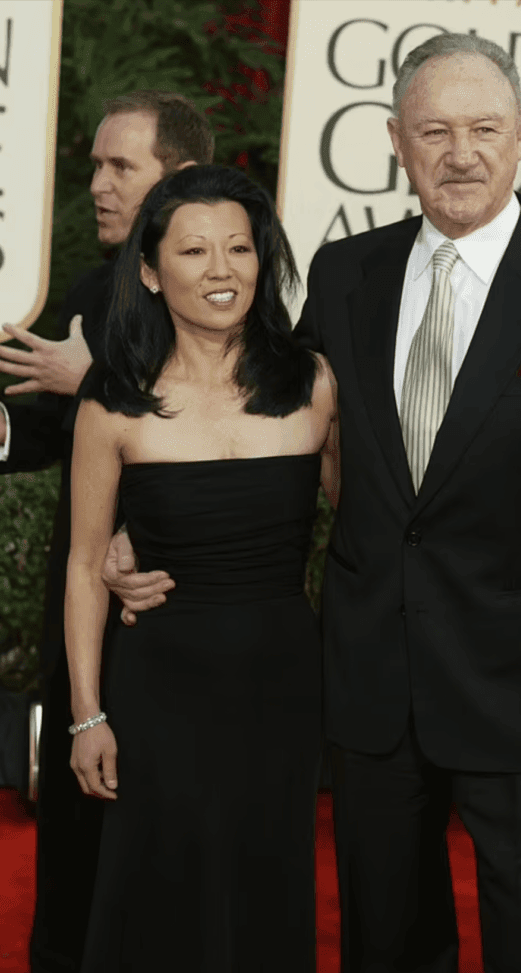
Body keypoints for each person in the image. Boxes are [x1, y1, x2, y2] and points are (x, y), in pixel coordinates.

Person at [103, 34, 521, 972]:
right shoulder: (345, 273)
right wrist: (144, 521)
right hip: (371, 684)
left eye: (484, 128)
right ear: (397, 143)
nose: (461, 153)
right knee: (385, 941)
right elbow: (265, 416)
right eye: (434, 131)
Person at [66, 163, 337, 972]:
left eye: (240, 248)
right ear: (151, 272)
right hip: (160, 684)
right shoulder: (113, 400)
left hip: (281, 684)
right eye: (194, 250)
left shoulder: (313, 385)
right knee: (155, 886)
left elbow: (374, 529)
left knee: (265, 883)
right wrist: (86, 715)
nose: (223, 270)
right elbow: (84, 564)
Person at [0, 91, 214, 973]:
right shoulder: (93, 290)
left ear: (181, 176)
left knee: (160, 859)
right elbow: (39, 432)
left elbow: (240, 435)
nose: (98, 184)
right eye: (94, 165)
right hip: (80, 617)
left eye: (121, 165)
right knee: (72, 849)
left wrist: (95, 379)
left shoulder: (230, 295)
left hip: (179, 623)